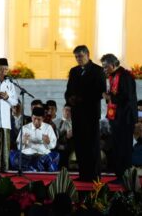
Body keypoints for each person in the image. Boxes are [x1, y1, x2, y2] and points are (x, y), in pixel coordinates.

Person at [64, 45, 106, 181]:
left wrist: (82, 98)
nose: (78, 59)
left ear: (87, 55)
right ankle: (83, 174)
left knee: (92, 145)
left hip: (91, 113)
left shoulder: (98, 70)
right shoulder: (74, 71)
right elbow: (69, 89)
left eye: (80, 56)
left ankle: (94, 175)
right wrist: (69, 99)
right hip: (77, 113)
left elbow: (100, 91)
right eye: (76, 57)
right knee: (80, 144)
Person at [101, 53, 137, 183]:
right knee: (116, 147)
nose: (104, 69)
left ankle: (125, 177)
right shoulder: (113, 76)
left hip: (125, 118)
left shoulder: (125, 76)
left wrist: (109, 97)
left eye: (106, 67)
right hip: (116, 117)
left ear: (113, 64)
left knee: (124, 147)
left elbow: (126, 97)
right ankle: (119, 174)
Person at [10, 107, 58, 172]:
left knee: (52, 157)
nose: (36, 121)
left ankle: (32, 168)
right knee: (14, 157)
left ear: (43, 118)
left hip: (42, 155)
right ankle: (36, 168)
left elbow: (53, 145)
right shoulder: (25, 128)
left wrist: (48, 142)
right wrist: (23, 142)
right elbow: (19, 147)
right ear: (31, 117)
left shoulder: (48, 128)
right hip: (27, 156)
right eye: (34, 118)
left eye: (39, 119)